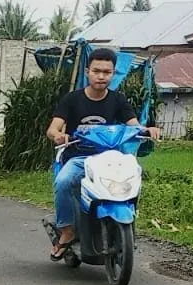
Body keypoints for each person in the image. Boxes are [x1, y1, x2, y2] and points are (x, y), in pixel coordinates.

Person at [46, 48, 161, 259]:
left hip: (109, 159)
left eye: (107, 72)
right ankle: (67, 230)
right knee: (63, 181)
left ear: (113, 74)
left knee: (134, 176)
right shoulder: (72, 99)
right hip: (79, 157)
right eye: (96, 71)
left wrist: (148, 130)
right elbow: (53, 128)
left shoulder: (118, 100)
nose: (101, 76)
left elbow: (134, 126)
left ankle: (126, 221)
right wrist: (59, 136)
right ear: (88, 71)